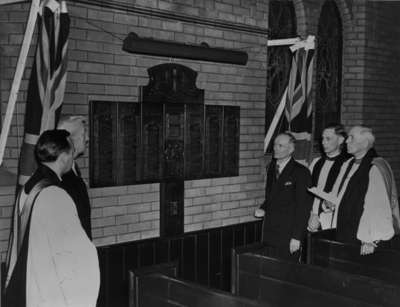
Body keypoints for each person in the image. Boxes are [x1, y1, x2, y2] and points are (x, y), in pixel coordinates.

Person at [5, 130, 99, 307]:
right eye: (71, 153)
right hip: (48, 288)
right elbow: (75, 254)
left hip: (29, 276)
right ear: (63, 157)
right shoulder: (55, 195)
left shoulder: (30, 186)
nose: (72, 159)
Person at [329, 126, 397, 255]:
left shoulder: (375, 167)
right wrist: (330, 203)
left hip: (363, 237)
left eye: (351, 138)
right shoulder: (348, 164)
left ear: (365, 143)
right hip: (343, 227)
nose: (346, 141)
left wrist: (371, 238)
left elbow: (378, 206)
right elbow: (341, 194)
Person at [255, 132, 313, 260]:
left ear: (291, 149)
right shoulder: (271, 168)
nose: (275, 148)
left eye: (280, 145)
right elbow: (271, 196)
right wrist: (263, 208)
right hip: (270, 232)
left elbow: (303, 207)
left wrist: (297, 237)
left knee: (286, 273)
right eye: (275, 144)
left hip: (288, 234)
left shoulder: (301, 172)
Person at [307, 124, 351, 232]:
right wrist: (311, 214)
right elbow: (307, 190)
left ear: (340, 140)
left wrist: (323, 210)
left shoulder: (347, 165)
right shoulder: (316, 162)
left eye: (328, 139)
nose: (323, 142)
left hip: (331, 221)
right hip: (310, 218)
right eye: (322, 138)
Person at [57, 116, 92, 239]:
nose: (87, 139)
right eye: (83, 135)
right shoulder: (60, 175)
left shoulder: (74, 167)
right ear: (70, 141)